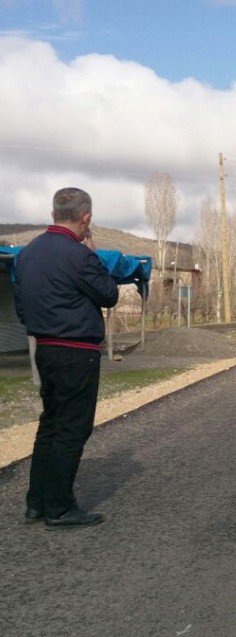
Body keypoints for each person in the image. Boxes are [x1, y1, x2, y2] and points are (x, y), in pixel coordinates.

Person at [13, 188, 119, 528]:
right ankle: (59, 508)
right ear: (85, 217)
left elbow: (20, 305)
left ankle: (37, 503)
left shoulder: (27, 254)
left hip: (43, 348)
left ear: (55, 212)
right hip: (77, 351)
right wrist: (95, 256)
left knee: (51, 424)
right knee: (73, 429)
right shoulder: (79, 255)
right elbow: (109, 294)